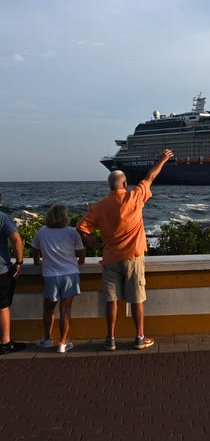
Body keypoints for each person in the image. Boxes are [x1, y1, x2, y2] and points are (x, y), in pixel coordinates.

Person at [77, 149, 173, 351]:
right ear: (124, 183)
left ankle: (110, 339)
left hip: (110, 258)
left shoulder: (98, 206)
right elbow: (150, 176)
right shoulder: (134, 197)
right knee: (137, 299)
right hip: (133, 257)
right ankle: (139, 337)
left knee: (111, 301)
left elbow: (82, 230)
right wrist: (162, 159)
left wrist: (96, 245)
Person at [31, 204, 86, 353]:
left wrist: (37, 261)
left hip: (50, 276)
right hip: (69, 275)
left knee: (49, 309)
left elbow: (34, 248)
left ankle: (48, 339)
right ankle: (62, 343)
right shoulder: (72, 232)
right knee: (65, 311)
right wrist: (80, 262)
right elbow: (81, 254)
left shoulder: (43, 231)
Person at [0, 211, 26, 355]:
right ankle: (5, 343)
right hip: (2, 271)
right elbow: (16, 239)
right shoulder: (3, 217)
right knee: (2, 306)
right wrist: (19, 262)